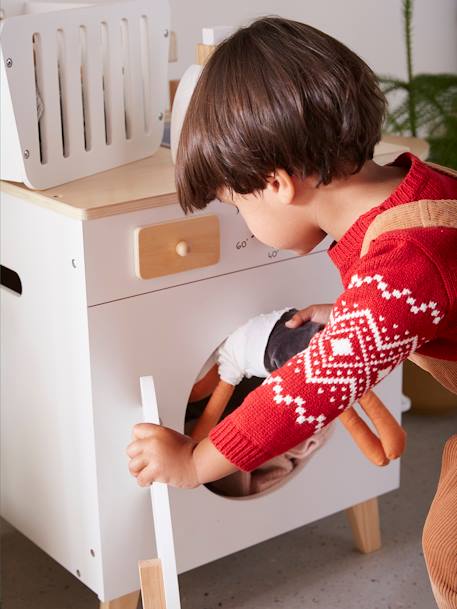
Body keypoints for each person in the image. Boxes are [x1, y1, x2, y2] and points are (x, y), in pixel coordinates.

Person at [126, 16, 457, 607]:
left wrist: (196, 461)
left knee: (451, 546)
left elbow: (307, 391)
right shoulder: (417, 186)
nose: (246, 225)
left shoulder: (401, 262)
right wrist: (351, 311)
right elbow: (431, 285)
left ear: (276, 183)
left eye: (237, 204)